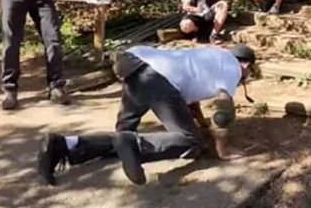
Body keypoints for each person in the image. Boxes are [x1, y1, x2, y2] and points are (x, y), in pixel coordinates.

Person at [37, 44, 257, 186]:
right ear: (245, 63)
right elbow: (223, 111)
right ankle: (131, 142)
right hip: (160, 77)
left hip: (136, 63)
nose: (246, 76)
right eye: (249, 72)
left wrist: (202, 125)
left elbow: (191, 103)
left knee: (122, 136)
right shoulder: (232, 66)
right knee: (190, 142)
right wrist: (222, 149)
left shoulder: (210, 55)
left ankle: (65, 145)